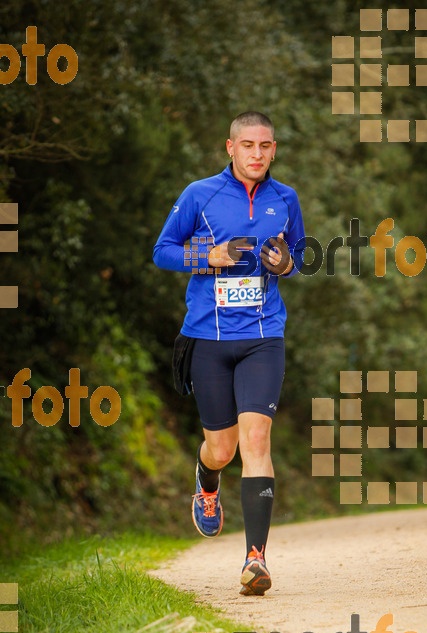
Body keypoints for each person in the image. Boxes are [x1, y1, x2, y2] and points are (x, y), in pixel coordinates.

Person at [153, 111, 305, 596]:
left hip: (264, 336)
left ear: (274, 150)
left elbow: (298, 256)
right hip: (208, 339)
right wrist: (208, 257)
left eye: (265, 145)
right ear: (230, 147)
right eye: (248, 145)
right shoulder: (200, 194)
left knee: (256, 442)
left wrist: (284, 264)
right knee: (223, 449)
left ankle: (255, 559)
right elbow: (162, 251)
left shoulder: (286, 199)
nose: (257, 154)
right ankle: (207, 477)